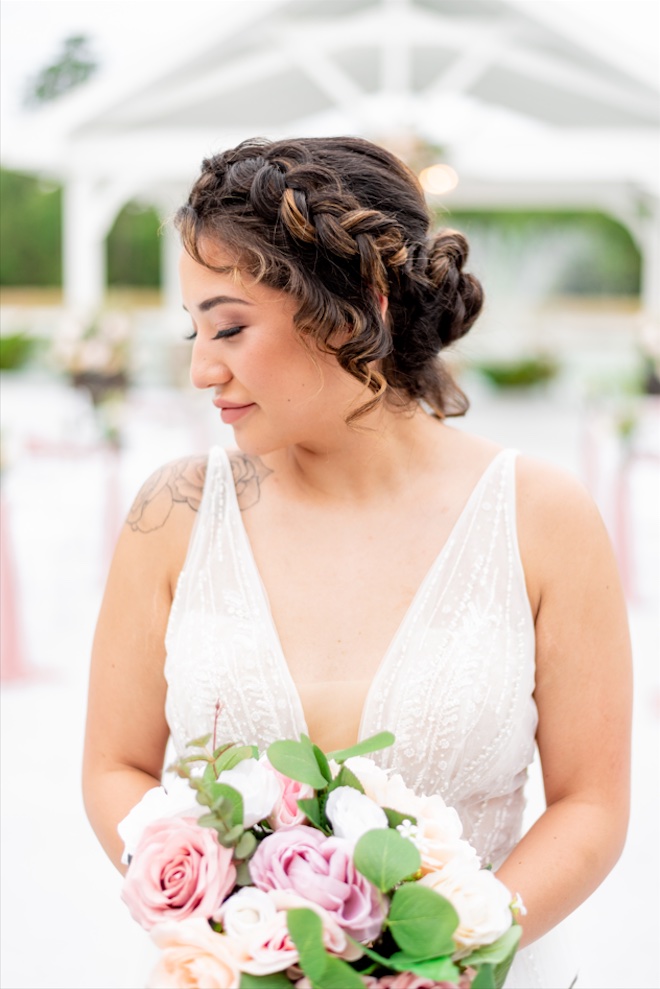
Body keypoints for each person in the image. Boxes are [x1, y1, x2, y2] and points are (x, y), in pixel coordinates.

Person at [82, 136, 632, 987]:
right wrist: (225, 914)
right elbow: (115, 763)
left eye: (229, 325)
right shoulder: (174, 514)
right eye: (193, 329)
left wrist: (445, 953)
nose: (200, 367)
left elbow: (590, 803)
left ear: (355, 307)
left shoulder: (542, 518)